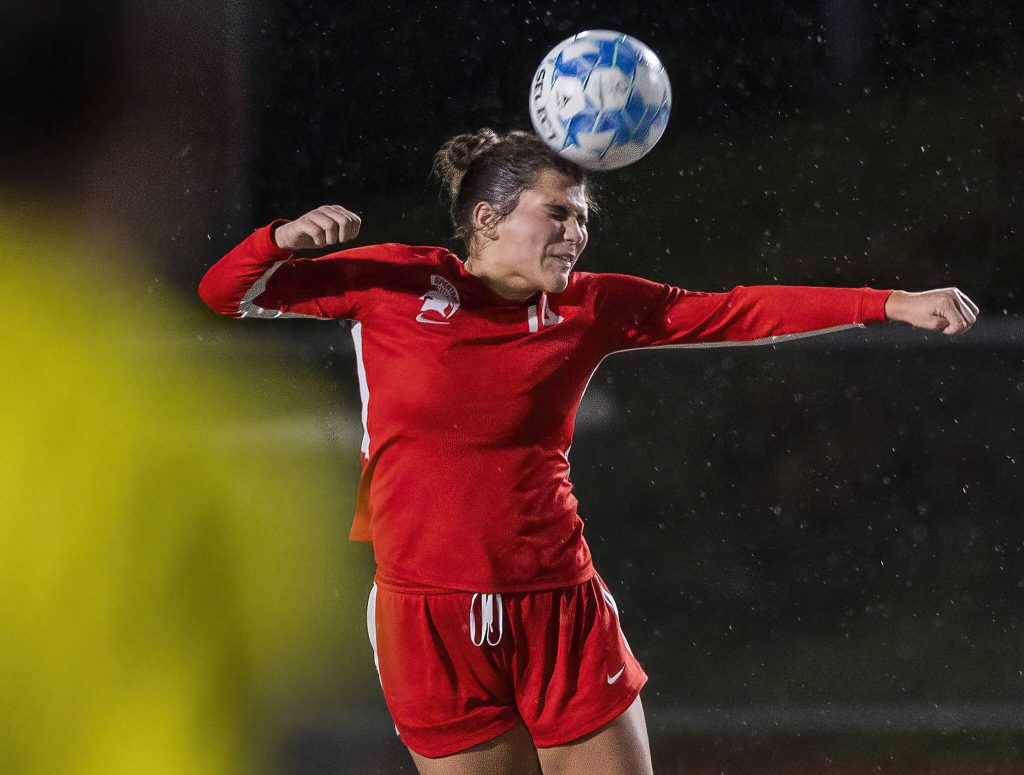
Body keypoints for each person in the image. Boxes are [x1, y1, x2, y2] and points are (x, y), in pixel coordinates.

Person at [198, 128, 979, 775]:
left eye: (581, 216)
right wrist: (280, 239)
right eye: (556, 213)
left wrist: (890, 303)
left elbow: (737, 310)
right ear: (484, 218)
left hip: (560, 606)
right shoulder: (395, 283)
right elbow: (225, 293)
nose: (575, 231)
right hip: (428, 614)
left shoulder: (589, 306)